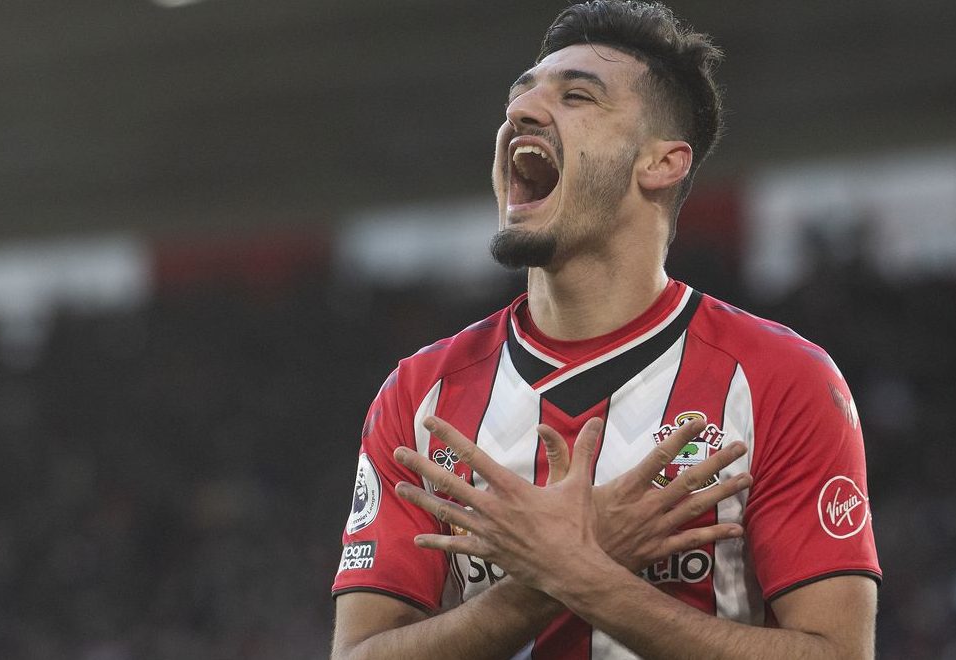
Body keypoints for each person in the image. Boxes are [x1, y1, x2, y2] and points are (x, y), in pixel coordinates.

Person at [330, 2, 881, 658]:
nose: (521, 111)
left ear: (661, 163)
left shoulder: (780, 378)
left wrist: (584, 576)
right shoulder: (420, 391)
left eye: (576, 96)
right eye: (520, 94)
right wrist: (557, 572)